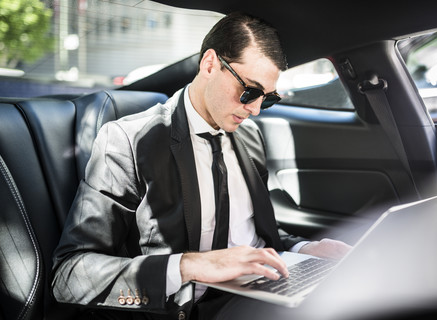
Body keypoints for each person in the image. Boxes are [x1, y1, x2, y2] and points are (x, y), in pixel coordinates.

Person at [51, 12, 351, 320]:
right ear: (209, 64)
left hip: (263, 292)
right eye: (249, 91)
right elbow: (70, 275)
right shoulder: (127, 141)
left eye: (268, 99)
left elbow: (252, 234)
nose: (256, 109)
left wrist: (304, 250)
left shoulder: (250, 137)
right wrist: (192, 265)